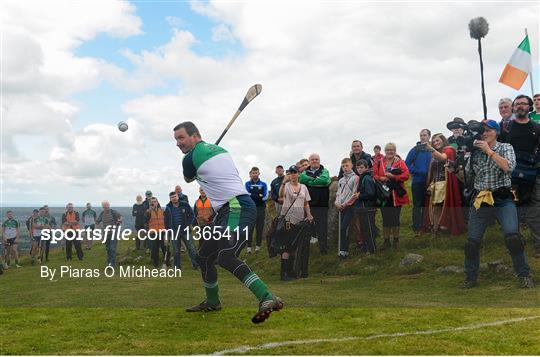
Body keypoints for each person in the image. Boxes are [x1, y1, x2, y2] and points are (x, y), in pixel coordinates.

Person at [174, 121, 283, 323]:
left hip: (237, 208)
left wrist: (193, 160)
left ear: (195, 136)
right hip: (225, 211)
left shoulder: (189, 159)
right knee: (204, 257)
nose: (178, 143)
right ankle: (213, 301)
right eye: (176, 140)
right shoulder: (221, 150)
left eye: (181, 138)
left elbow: (188, 179)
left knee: (226, 256)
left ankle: (267, 297)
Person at [462, 120, 533, 289]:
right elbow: (466, 176)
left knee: (513, 238)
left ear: (496, 132)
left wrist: (489, 151)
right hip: (481, 198)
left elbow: (509, 167)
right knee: (472, 242)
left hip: (502, 198)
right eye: (482, 131)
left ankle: (524, 275)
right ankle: (470, 278)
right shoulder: (475, 152)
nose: (484, 134)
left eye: (488, 130)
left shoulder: (505, 147)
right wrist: (455, 167)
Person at [499, 95, 540, 258]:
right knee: (512, 211)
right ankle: (515, 246)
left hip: (534, 174)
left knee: (534, 210)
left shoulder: (537, 128)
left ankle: (538, 245)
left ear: (530, 107)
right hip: (511, 176)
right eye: (518, 104)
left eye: (524, 103)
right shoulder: (505, 129)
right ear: (514, 107)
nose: (521, 106)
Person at [424, 134, 466, 236]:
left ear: (443, 140)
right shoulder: (434, 153)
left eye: (438, 140)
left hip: (445, 183)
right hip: (435, 183)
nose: (436, 143)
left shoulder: (448, 149)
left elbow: (443, 158)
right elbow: (432, 170)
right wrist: (430, 183)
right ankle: (435, 228)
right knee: (435, 207)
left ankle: (444, 227)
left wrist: (430, 149)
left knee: (443, 206)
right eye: (434, 142)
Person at [276, 165, 313, 280]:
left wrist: (309, 214)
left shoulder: (303, 187)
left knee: (294, 247)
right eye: (291, 172)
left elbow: (306, 203)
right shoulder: (286, 186)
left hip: (299, 220)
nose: (293, 174)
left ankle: (291, 271)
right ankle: (284, 273)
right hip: (288, 219)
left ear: (298, 174)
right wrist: (283, 182)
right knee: (287, 247)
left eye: (295, 172)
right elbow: (280, 196)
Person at [373, 143, 410, 250]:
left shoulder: (400, 162)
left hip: (396, 195)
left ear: (395, 151)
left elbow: (406, 175)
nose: (390, 152)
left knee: (395, 218)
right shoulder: (379, 162)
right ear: (385, 151)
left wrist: (394, 176)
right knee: (386, 218)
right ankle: (386, 241)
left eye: (392, 150)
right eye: (388, 150)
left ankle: (396, 240)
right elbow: (374, 174)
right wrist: (381, 178)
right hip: (384, 195)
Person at [300, 153, 332, 255]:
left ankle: (323, 249)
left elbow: (325, 180)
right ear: (309, 161)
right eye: (312, 159)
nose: (314, 161)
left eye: (316, 159)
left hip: (322, 204)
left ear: (319, 160)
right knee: (307, 228)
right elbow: (302, 179)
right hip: (308, 205)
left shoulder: (325, 171)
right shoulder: (304, 173)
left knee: (322, 228)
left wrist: (310, 182)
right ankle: (305, 250)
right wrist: (317, 181)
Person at [405, 129, 433, 236]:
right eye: (421, 135)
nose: (422, 137)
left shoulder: (432, 149)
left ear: (429, 136)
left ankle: (428, 226)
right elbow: (407, 164)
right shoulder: (415, 150)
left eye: (424, 135)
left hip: (431, 182)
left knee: (428, 205)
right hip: (418, 182)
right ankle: (416, 228)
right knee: (417, 205)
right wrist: (417, 171)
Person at [165, 191, 199, 269]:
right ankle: (177, 266)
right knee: (176, 250)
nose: (174, 198)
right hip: (174, 231)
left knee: (191, 248)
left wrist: (188, 225)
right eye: (172, 197)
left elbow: (192, 215)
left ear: (178, 197)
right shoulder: (168, 207)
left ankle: (196, 264)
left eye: (175, 196)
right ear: (170, 199)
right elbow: (166, 220)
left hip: (185, 230)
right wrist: (168, 231)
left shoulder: (185, 204)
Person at [335, 158, 359, 258]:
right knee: (342, 228)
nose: (345, 168)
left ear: (351, 166)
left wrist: (344, 204)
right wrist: (336, 203)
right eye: (343, 166)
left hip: (350, 206)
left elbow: (354, 194)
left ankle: (345, 250)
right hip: (341, 207)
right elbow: (338, 193)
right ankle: (342, 251)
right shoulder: (341, 180)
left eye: (347, 166)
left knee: (345, 227)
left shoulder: (356, 178)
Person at [353, 160, 378, 253]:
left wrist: (359, 195)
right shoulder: (362, 177)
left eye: (362, 167)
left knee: (369, 229)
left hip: (368, 208)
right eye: (358, 168)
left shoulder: (366, 178)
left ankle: (372, 250)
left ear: (367, 168)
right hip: (363, 208)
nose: (359, 169)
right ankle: (366, 248)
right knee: (364, 229)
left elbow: (370, 193)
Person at [245, 167, 268, 253]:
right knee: (250, 228)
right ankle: (249, 247)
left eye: (256, 173)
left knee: (259, 228)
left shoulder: (264, 184)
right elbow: (247, 195)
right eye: (253, 173)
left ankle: (258, 246)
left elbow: (265, 197)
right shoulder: (247, 184)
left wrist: (253, 195)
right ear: (250, 174)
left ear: (259, 173)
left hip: (261, 208)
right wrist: (259, 195)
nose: (255, 174)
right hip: (250, 209)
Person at [96, 201, 122, 267]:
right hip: (106, 234)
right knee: (108, 249)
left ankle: (112, 265)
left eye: (107, 205)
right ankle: (109, 262)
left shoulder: (113, 212)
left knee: (112, 248)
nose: (106, 207)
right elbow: (97, 222)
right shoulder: (102, 213)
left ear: (109, 205)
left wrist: (119, 221)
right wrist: (101, 228)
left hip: (114, 233)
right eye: (104, 206)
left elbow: (120, 216)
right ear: (103, 207)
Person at [146, 197, 169, 269]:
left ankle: (167, 263)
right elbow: (145, 221)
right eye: (152, 202)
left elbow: (166, 221)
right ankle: (156, 265)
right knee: (155, 249)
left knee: (165, 248)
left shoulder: (162, 210)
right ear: (150, 203)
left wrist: (167, 232)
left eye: (154, 201)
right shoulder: (148, 212)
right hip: (153, 233)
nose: (153, 203)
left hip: (162, 232)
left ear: (157, 202)